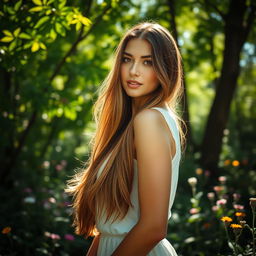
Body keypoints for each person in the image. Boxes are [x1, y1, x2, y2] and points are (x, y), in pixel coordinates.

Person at [66, 21, 186, 256]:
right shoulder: (134, 123)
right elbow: (109, 231)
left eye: (147, 62)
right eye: (127, 59)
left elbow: (153, 227)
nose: (134, 71)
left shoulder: (149, 120)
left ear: (166, 68)